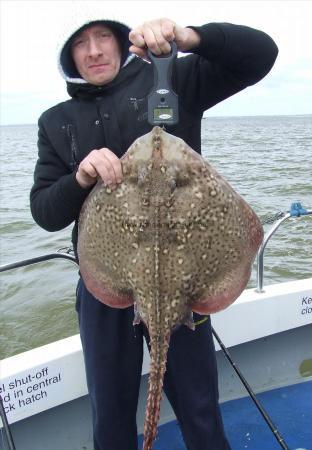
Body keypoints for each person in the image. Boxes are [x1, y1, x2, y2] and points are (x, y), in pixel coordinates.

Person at [30, 17, 278, 450]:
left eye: (102, 37)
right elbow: (45, 212)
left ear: (121, 41)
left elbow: (260, 55)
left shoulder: (173, 77)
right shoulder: (56, 121)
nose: (93, 51)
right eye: (81, 44)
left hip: (185, 280)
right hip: (108, 280)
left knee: (199, 409)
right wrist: (81, 177)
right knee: (109, 415)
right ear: (70, 56)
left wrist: (192, 37)